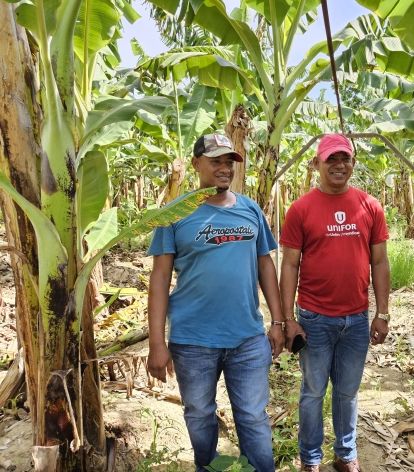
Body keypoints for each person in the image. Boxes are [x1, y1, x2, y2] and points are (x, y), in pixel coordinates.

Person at [147, 133, 284, 472]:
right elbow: (160, 278)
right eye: (216, 161)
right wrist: (155, 342)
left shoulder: (250, 209)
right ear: (196, 164)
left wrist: (278, 321)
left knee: (252, 417)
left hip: (247, 339)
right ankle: (206, 467)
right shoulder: (174, 214)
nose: (224, 169)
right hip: (193, 340)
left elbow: (265, 264)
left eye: (229, 162)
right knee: (199, 414)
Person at [279, 133, 390, 472]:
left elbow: (380, 262)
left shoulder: (370, 205)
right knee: (313, 392)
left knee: (347, 392)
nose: (340, 165)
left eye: (345, 158)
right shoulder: (300, 209)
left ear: (353, 162)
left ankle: (345, 454)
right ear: (318, 163)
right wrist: (288, 318)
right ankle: (311, 459)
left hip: (356, 319)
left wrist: (382, 313)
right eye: (332, 159)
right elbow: (290, 264)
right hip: (313, 318)